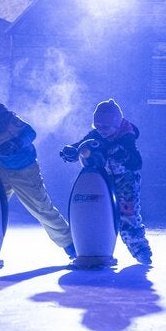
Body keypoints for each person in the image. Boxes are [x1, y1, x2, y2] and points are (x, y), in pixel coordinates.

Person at [0, 88, 75, 259]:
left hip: (23, 169)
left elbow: (30, 132)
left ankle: (71, 245)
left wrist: (17, 143)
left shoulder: (6, 119)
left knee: (40, 208)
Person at [60, 99, 152, 263]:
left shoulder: (126, 138)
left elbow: (135, 161)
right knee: (97, 212)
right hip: (102, 180)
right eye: (98, 126)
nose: (101, 130)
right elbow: (83, 144)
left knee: (127, 215)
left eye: (106, 127)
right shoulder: (97, 135)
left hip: (126, 182)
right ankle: (91, 247)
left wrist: (117, 152)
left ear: (117, 124)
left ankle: (140, 249)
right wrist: (73, 151)